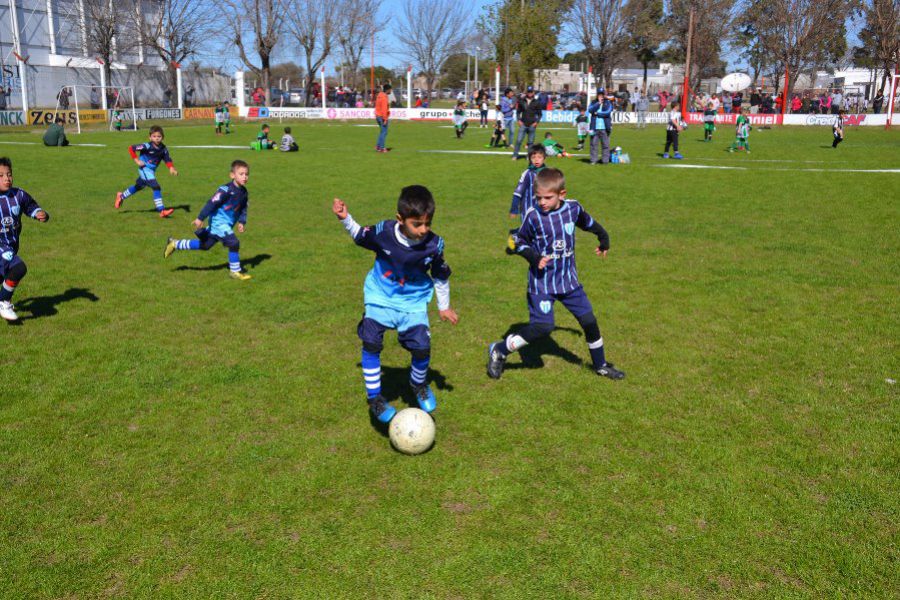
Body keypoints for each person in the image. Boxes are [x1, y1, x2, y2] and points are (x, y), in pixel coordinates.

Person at [331, 186, 459, 422]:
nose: (424, 230)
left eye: (428, 223)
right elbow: (361, 236)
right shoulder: (384, 232)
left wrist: (444, 306)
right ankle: (375, 399)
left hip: (413, 301)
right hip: (380, 295)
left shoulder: (434, 244)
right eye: (417, 224)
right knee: (370, 340)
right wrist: (345, 218)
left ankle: (418, 384)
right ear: (400, 219)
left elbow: (441, 275)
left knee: (421, 347)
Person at [487, 167, 624, 381]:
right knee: (543, 326)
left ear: (562, 194)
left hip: (569, 281)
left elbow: (589, 223)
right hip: (542, 284)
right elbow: (518, 242)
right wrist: (534, 257)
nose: (542, 202)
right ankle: (500, 349)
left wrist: (603, 238)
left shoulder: (573, 209)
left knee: (589, 321)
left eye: (547, 198)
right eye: (538, 197)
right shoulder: (533, 216)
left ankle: (601, 365)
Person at [164, 160, 252, 281]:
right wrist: (200, 218)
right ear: (232, 175)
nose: (245, 177)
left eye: (246, 174)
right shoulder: (225, 190)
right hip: (219, 223)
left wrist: (242, 221)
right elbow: (211, 203)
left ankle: (175, 243)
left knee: (206, 245)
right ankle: (235, 271)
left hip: (226, 224)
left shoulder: (244, 192)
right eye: (241, 174)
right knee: (234, 243)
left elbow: (243, 208)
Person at [0, 157, 50, 321]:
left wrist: (39, 213)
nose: (7, 178)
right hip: (2, 248)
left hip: (12, 245)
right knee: (19, 268)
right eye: (1, 176)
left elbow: (30, 206)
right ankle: (4, 302)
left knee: (4, 276)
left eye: (9, 174)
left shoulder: (18, 194)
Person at [114, 125, 178, 217]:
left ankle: (121, 196)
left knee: (138, 186)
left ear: (163, 137)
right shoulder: (147, 146)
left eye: (159, 136)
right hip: (144, 169)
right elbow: (131, 148)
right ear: (150, 137)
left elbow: (167, 159)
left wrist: (171, 168)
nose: (157, 138)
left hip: (151, 171)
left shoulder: (164, 149)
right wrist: (137, 160)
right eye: (154, 136)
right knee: (156, 187)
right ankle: (162, 210)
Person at [508, 145, 546, 221]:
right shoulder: (527, 174)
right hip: (528, 211)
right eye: (533, 157)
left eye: (539, 157)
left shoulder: (548, 173)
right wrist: (514, 210)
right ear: (529, 159)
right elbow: (517, 193)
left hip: (544, 210)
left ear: (544, 158)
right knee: (529, 231)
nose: (536, 160)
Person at [512, 86, 543, 160]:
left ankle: (528, 156)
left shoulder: (537, 102)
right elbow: (518, 112)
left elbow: (540, 114)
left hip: (532, 125)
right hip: (523, 124)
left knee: (530, 142)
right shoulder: (522, 101)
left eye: (531, 92)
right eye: (528, 92)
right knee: (519, 140)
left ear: (533, 93)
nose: (530, 93)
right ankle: (515, 155)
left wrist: (536, 122)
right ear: (526, 92)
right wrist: (518, 120)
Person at [588, 88, 613, 164]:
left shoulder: (608, 103)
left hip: (605, 128)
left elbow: (608, 112)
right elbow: (590, 110)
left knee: (605, 145)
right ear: (597, 95)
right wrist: (598, 103)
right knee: (593, 145)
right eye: (599, 94)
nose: (601, 96)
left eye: (602, 94)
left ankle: (605, 161)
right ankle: (593, 160)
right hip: (594, 127)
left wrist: (598, 114)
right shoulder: (593, 102)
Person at [374, 83, 391, 153]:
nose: (391, 91)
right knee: (384, 132)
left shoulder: (379, 95)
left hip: (378, 116)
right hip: (382, 117)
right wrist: (385, 119)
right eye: (390, 90)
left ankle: (378, 146)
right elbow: (384, 109)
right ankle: (382, 148)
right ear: (387, 90)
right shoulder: (384, 97)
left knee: (382, 132)